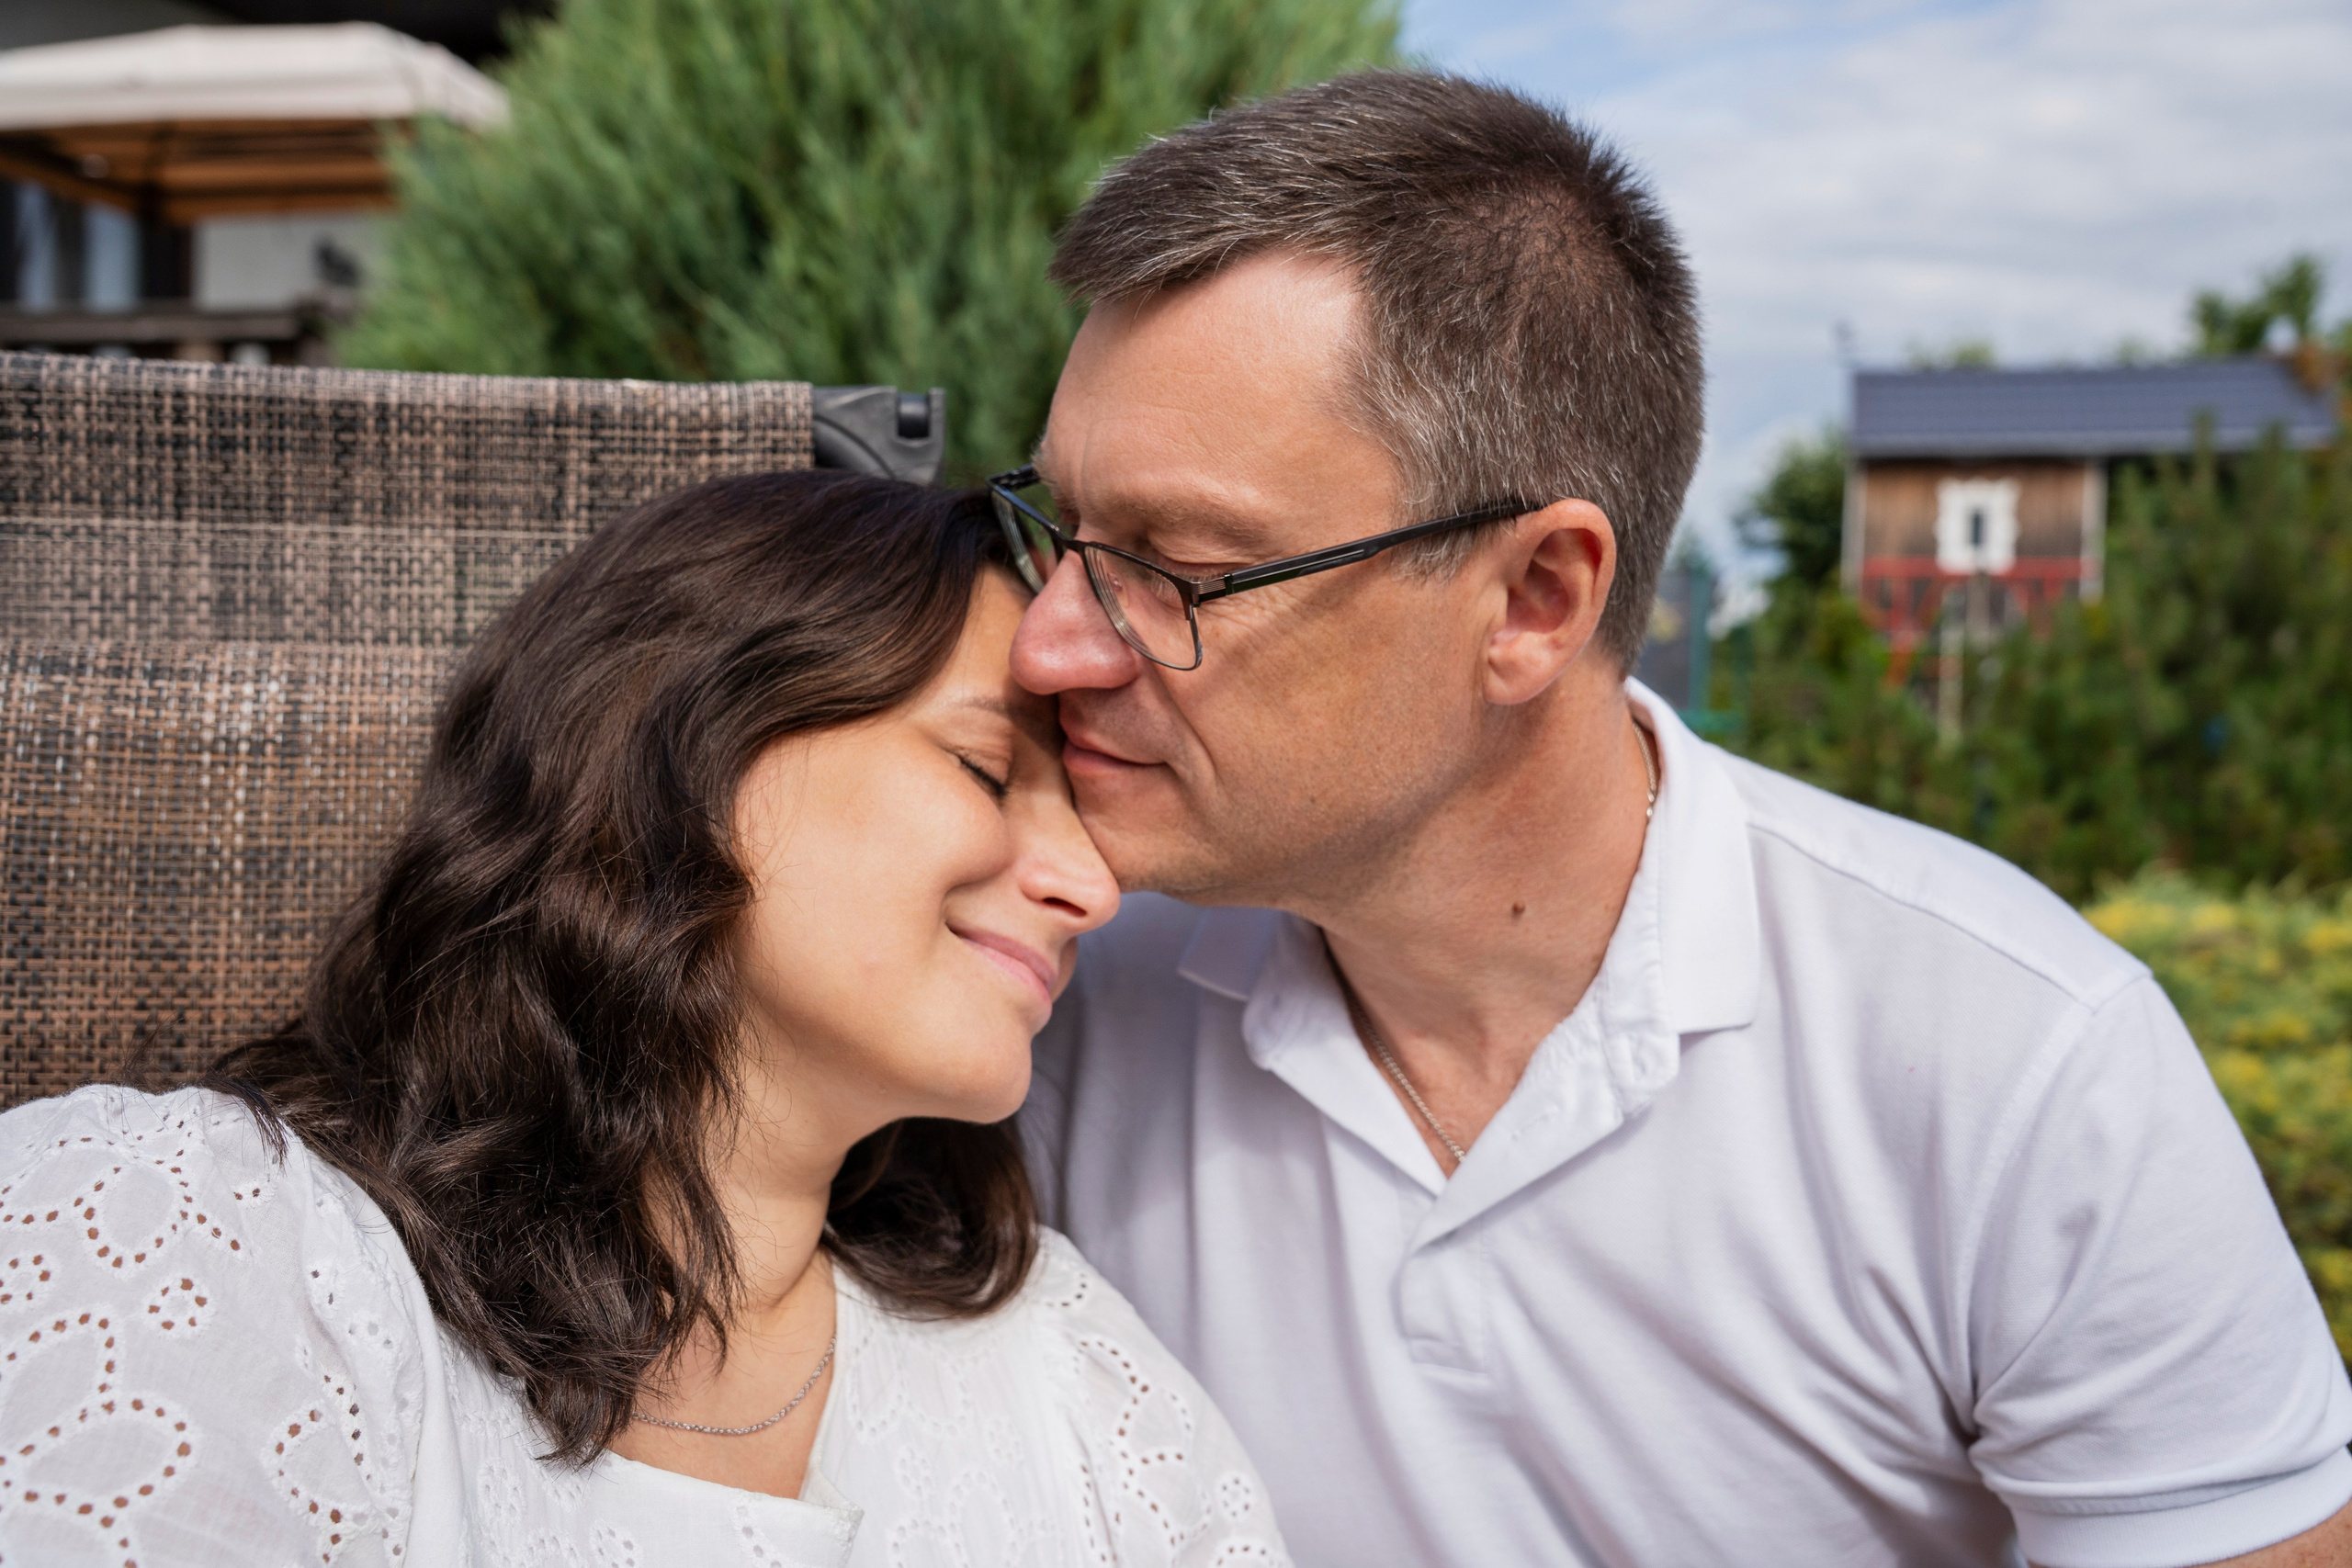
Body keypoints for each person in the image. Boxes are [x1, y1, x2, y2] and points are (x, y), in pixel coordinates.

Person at [1004, 71, 2352, 1568]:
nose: (1049, 642)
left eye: (1176, 567)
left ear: (1536, 599)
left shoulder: (2012, 1066)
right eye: (1057, 535)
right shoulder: (1046, 990)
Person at [0, 471, 1289, 1567]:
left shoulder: (1074, 1384)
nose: (1095, 886)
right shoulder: (185, 1237)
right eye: (987, 768)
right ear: (687, 746)